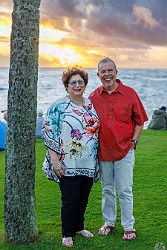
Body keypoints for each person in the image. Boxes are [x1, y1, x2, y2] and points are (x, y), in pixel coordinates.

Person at [89, 57, 148, 240]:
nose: (107, 74)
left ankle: (129, 226)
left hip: (125, 151)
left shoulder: (130, 94)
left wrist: (134, 142)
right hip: (103, 152)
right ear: (98, 75)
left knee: (124, 189)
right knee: (107, 189)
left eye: (110, 71)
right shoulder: (93, 96)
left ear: (116, 72)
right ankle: (109, 222)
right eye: (103, 72)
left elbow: (140, 122)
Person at [41, 66, 100, 247]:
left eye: (80, 82)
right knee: (70, 199)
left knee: (83, 197)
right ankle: (67, 233)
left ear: (85, 84)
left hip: (88, 162)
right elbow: (48, 131)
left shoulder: (90, 104)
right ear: (66, 86)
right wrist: (55, 161)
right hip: (67, 162)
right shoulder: (58, 106)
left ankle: (79, 227)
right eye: (72, 82)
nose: (77, 85)